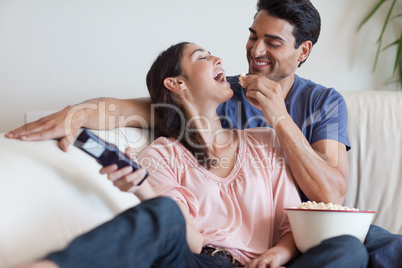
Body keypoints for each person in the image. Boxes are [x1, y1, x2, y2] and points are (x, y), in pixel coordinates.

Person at [7, 0, 402, 267]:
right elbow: (130, 109)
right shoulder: (218, 94)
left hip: (299, 232)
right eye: (253, 35)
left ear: (303, 51)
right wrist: (75, 114)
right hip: (211, 250)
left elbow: (332, 195)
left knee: (369, 242)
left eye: (273, 42)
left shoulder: (321, 103)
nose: (255, 50)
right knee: (163, 215)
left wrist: (279, 118)